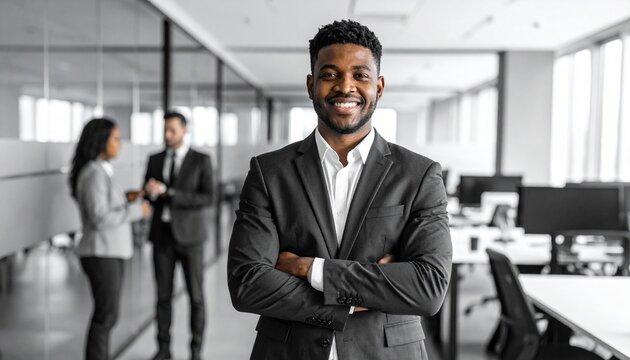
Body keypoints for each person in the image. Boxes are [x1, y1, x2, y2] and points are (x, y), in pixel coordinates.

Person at [228, 20, 452, 360]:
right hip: (289, 351)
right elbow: (248, 283)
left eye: (360, 75)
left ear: (378, 87)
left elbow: (428, 288)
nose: (345, 87)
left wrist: (310, 268)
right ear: (310, 84)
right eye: (330, 74)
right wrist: (357, 299)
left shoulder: (420, 175)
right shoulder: (269, 172)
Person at [69, 118, 149, 360]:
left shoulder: (100, 169)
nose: (120, 144)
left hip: (110, 252)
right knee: (106, 316)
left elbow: (105, 206)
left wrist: (130, 198)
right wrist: (138, 211)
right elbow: (99, 217)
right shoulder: (93, 172)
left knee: (108, 315)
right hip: (101, 253)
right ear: (100, 141)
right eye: (115, 139)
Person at [144, 112, 213, 360]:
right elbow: (148, 192)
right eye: (165, 130)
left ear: (184, 130)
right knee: (163, 297)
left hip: (191, 238)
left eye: (172, 130)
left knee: (196, 296)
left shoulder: (201, 160)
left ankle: (195, 352)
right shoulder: (154, 159)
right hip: (162, 236)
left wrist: (170, 193)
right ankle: (163, 350)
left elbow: (207, 197)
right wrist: (150, 193)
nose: (167, 135)